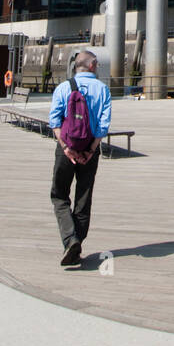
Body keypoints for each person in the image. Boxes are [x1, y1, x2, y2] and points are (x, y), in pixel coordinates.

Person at [48, 50, 112, 267]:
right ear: (93, 65)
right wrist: (92, 149)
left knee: (59, 195)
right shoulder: (103, 89)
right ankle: (76, 243)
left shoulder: (63, 88)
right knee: (84, 198)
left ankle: (70, 239)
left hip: (67, 149)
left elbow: (55, 120)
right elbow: (104, 124)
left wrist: (66, 148)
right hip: (89, 149)